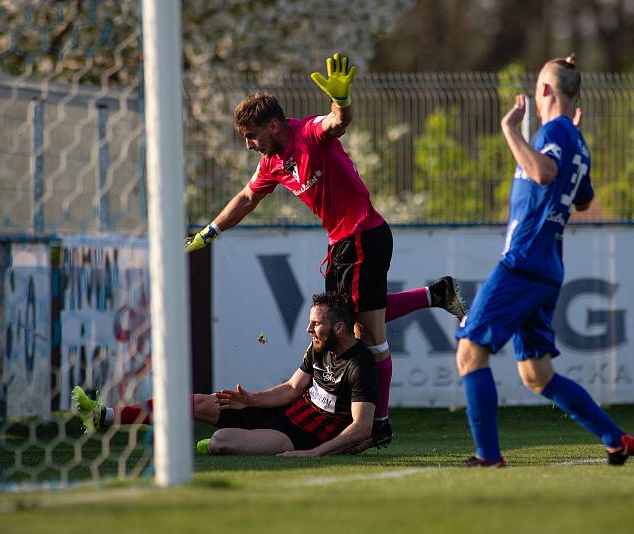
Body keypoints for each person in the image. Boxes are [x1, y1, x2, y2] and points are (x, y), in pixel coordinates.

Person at [183, 52, 466, 450]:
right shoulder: (272, 163)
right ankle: (434, 294)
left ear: (275, 125)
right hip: (340, 243)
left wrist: (342, 100)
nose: (249, 145)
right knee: (350, 318)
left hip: (365, 235)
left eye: (251, 136)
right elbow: (247, 197)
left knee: (367, 335)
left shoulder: (309, 134)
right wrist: (211, 230)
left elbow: (338, 122)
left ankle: (379, 423)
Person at [454, 54, 634, 467]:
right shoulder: (576, 140)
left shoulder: (553, 131)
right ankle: (615, 438)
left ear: (543, 91)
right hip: (547, 268)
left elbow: (541, 173)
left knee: (470, 352)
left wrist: (509, 131)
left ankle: (488, 457)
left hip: (523, 263)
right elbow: (585, 198)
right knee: (536, 374)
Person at [73, 292, 378, 456]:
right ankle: (105, 416)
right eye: (310, 323)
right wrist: (252, 399)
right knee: (195, 402)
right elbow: (290, 388)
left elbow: (362, 428)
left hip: (297, 437)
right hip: (284, 413)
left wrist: (315, 454)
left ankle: (229, 445)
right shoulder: (318, 347)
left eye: (316, 324)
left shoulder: (360, 364)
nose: (308, 329)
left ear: (340, 328)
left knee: (220, 441)